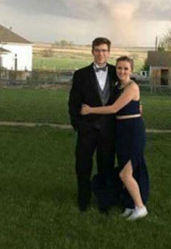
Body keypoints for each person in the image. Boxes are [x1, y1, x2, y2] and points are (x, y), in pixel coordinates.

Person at [81, 56, 149, 221]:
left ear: (131, 70)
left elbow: (113, 108)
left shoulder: (132, 87)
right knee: (127, 172)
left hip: (133, 132)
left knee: (126, 174)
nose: (122, 71)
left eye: (126, 68)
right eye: (119, 68)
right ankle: (130, 204)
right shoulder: (119, 86)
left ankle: (140, 207)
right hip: (122, 133)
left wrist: (90, 110)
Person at [68, 37, 118, 213]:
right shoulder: (80, 75)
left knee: (106, 167)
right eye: (97, 50)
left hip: (108, 131)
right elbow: (73, 104)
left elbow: (127, 93)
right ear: (92, 51)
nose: (101, 54)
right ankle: (83, 200)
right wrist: (79, 126)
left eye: (104, 50)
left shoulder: (116, 72)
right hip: (87, 130)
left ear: (109, 53)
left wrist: (137, 105)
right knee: (83, 166)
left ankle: (104, 202)